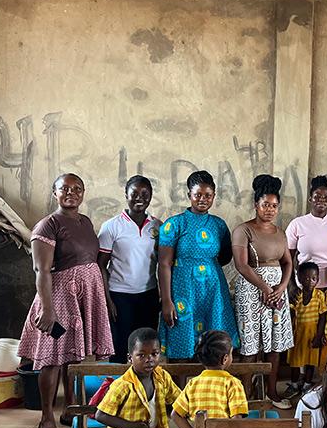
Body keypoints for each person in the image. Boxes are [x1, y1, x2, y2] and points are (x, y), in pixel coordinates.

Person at [19, 173, 113, 428]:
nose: (71, 193)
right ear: (54, 192)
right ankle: (46, 417)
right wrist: (48, 310)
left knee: (73, 355)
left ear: (83, 193)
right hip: (59, 299)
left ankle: (70, 410)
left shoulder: (84, 222)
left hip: (85, 297)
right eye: (64, 189)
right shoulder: (47, 225)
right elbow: (41, 270)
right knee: (51, 358)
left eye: (77, 189)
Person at [158, 171, 238, 360]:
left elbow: (226, 255)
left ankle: (208, 386)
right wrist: (167, 300)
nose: (202, 199)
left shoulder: (219, 225)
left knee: (214, 346)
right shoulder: (174, 224)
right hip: (183, 290)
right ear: (189, 196)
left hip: (212, 290)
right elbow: (163, 263)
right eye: (198, 195)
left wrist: (209, 267)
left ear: (214, 196)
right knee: (181, 342)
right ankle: (180, 389)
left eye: (208, 195)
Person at [231, 174, 295, 409]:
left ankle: (271, 392)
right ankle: (246, 396)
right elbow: (241, 265)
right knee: (250, 344)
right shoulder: (243, 230)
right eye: (265, 204)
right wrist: (266, 287)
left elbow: (288, 263)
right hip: (251, 292)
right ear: (255, 205)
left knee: (275, 344)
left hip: (277, 294)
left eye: (274, 205)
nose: (270, 209)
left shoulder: (280, 232)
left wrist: (280, 288)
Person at [97, 175, 162, 363]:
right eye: (134, 193)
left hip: (148, 295)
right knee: (120, 346)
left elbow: (163, 262)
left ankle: (143, 388)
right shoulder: (111, 227)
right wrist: (107, 300)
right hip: (120, 296)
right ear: (126, 194)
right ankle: (117, 387)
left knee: (147, 346)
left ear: (150, 197)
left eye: (145, 194)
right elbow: (101, 264)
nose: (139, 198)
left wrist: (162, 295)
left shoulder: (157, 226)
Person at [287, 262, 327, 396]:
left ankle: (306, 384)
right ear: (299, 279)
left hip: (312, 334)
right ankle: (294, 384)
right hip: (297, 333)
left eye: (314, 278)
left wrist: (319, 336)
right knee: (295, 361)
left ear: (317, 279)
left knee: (311, 361)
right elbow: (291, 314)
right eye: (306, 278)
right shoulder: (296, 295)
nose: (310, 281)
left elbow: (323, 317)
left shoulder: (319, 296)